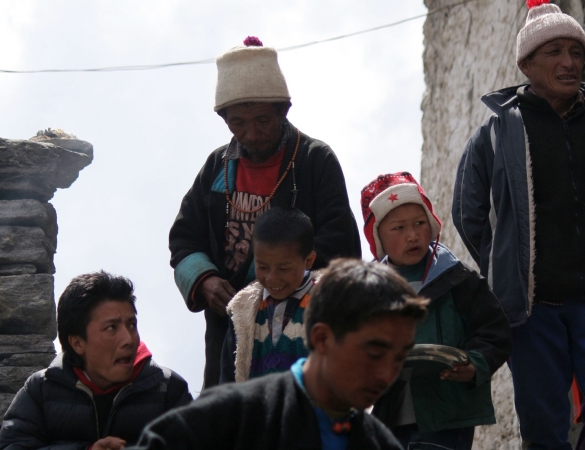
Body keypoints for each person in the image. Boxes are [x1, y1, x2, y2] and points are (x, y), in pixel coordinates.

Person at [452, 1, 585, 448]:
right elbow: (468, 210)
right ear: (526, 64)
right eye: (555, 53)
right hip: (533, 307)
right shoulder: (497, 132)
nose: (569, 63)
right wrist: (504, 265)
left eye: (576, 52)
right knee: (543, 428)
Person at [169, 36, 361, 389]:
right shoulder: (217, 167)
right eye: (238, 123)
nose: (251, 134)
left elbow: (340, 242)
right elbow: (184, 238)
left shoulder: (314, 161)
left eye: (261, 120)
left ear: (283, 111)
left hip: (300, 330)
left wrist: (276, 281)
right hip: (229, 332)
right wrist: (205, 280)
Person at [130, 259, 428, 450]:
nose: (387, 374)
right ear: (322, 338)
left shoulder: (379, 445)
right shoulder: (235, 417)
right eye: (375, 353)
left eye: (400, 358)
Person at [360, 172, 511, 449]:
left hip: (449, 416)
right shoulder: (369, 292)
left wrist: (475, 365)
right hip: (389, 419)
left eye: (419, 223)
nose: (413, 235)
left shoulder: (456, 278)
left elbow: (494, 331)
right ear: (378, 237)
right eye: (399, 228)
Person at [0, 272, 192, 450]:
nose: (129, 339)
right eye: (111, 328)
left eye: (132, 324)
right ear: (77, 343)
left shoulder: (168, 388)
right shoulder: (40, 390)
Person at [219, 207, 319, 383]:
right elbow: (228, 384)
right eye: (262, 267)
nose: (272, 278)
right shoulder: (241, 312)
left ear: (309, 260)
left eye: (284, 268)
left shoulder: (326, 306)